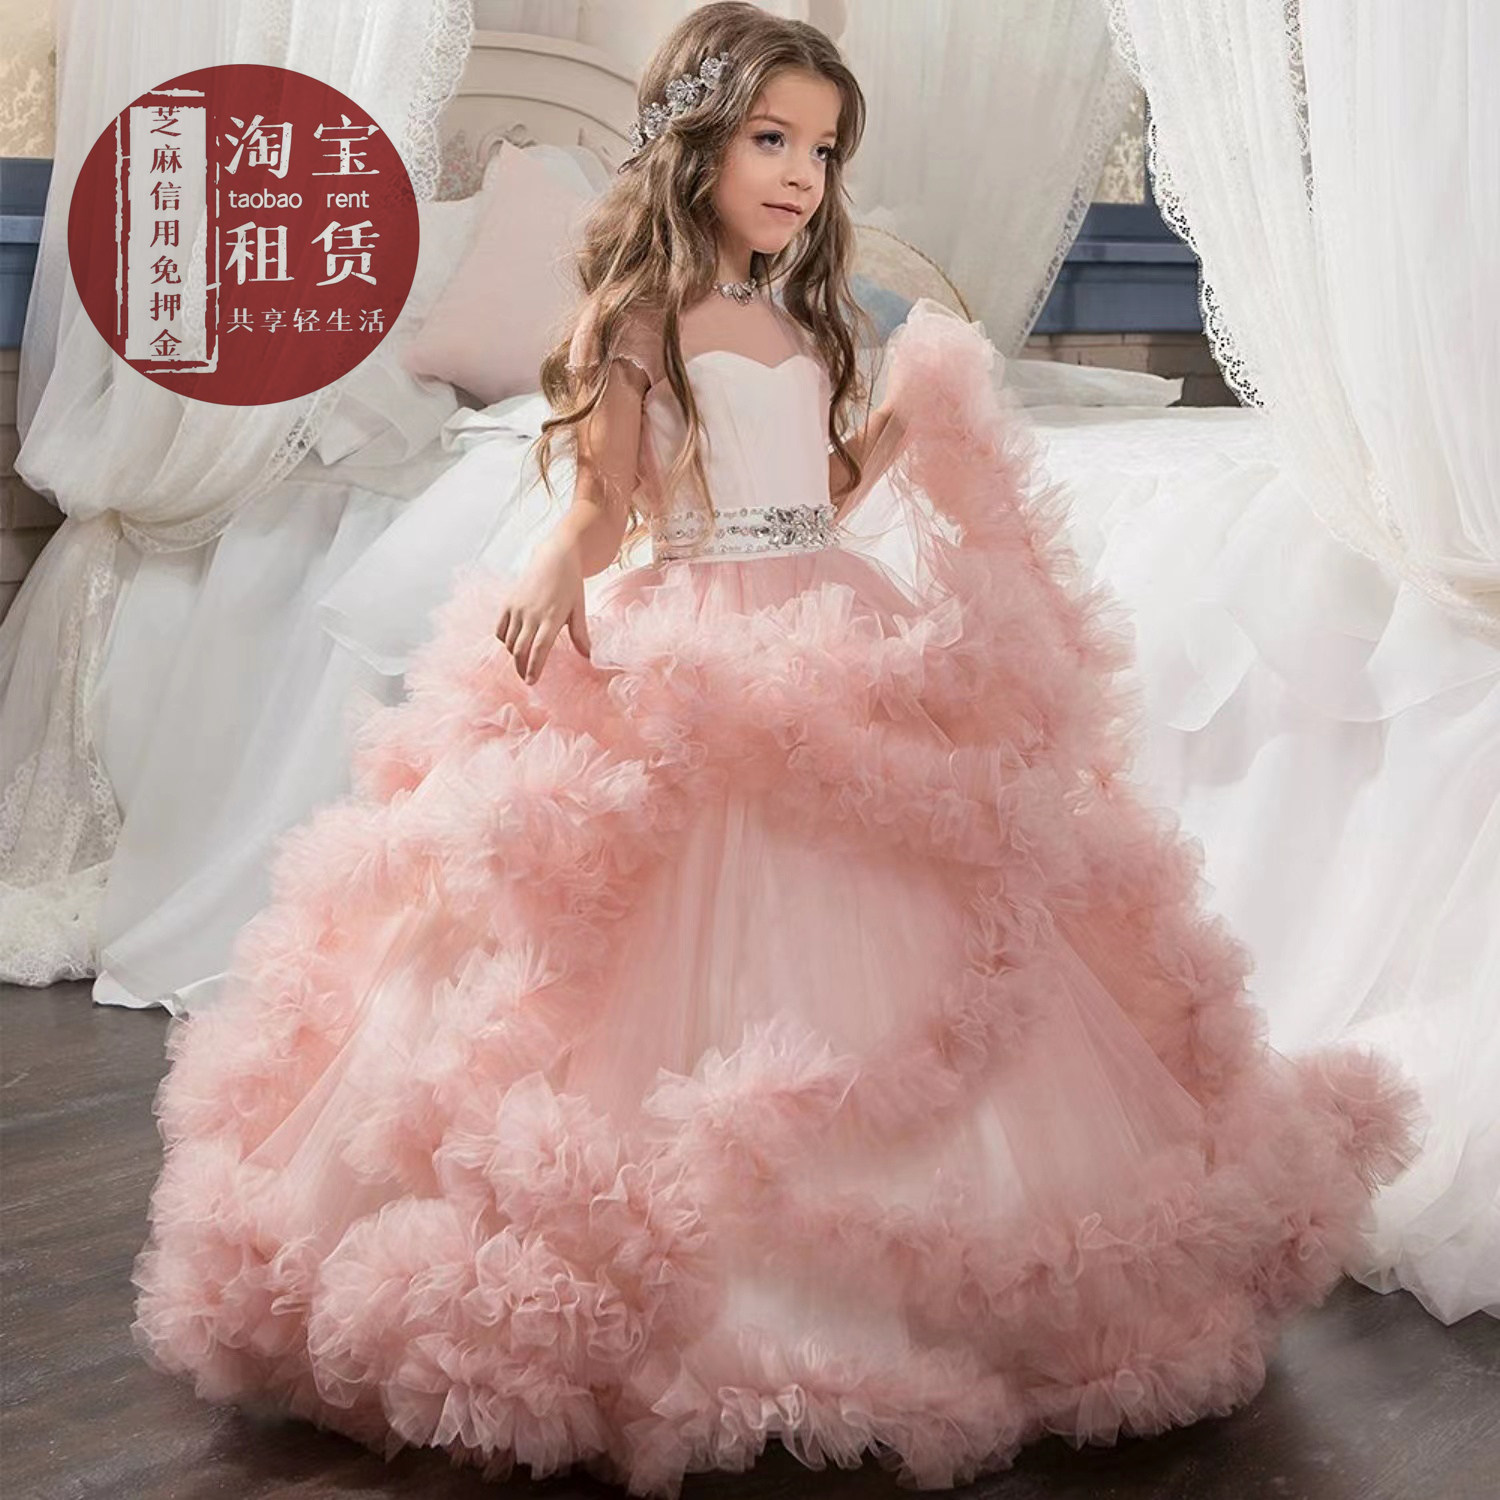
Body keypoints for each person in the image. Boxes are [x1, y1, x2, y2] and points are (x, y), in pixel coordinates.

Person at [130, 5, 1420, 1494]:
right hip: (694, 631)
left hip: (833, 617)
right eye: (772, 139)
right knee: (650, 919)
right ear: (698, 144)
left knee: (905, 897)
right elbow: (604, 501)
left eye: (822, 149)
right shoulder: (642, 317)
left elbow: (818, 490)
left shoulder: (806, 316)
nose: (803, 173)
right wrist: (552, 564)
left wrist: (913, 420)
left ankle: (916, 1260)